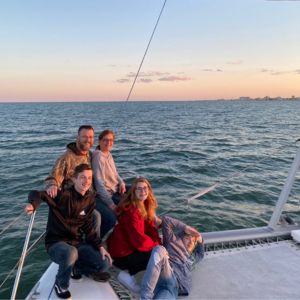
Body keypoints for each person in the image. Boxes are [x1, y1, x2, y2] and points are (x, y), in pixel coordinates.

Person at [25, 164, 112, 299]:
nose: (87, 181)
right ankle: (61, 284)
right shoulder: (62, 195)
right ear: (74, 179)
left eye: (89, 178)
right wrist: (32, 204)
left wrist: (100, 246)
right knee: (71, 253)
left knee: (104, 263)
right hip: (56, 243)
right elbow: (37, 194)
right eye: (82, 177)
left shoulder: (89, 199)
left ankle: (76, 269)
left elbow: (88, 226)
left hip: (76, 242)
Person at [107, 177, 161, 293]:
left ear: (149, 190)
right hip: (121, 254)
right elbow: (139, 241)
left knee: (158, 249)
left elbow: (150, 228)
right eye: (139, 189)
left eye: (145, 188)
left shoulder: (145, 205)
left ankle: (134, 270)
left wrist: (158, 241)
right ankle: (126, 274)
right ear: (134, 192)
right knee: (155, 255)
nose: (143, 192)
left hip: (130, 247)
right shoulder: (132, 211)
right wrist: (157, 246)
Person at [45, 125, 101, 236]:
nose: (88, 140)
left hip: (90, 197)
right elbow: (53, 176)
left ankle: (96, 244)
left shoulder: (89, 155)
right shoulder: (66, 158)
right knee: (96, 217)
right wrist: (52, 185)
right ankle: (93, 248)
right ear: (77, 138)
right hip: (75, 202)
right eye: (84, 137)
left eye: (91, 137)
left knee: (112, 214)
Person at [140, 216, 204, 300]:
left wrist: (200, 239)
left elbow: (201, 254)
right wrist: (185, 227)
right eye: (187, 238)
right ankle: (145, 297)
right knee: (159, 250)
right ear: (181, 237)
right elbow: (166, 220)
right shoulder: (172, 241)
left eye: (193, 241)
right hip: (167, 272)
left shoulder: (192, 258)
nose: (191, 242)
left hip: (173, 287)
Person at [92, 129, 127, 238]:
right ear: (99, 141)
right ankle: (97, 241)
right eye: (105, 140)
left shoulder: (108, 154)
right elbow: (99, 183)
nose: (108, 143)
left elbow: (115, 173)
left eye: (111, 140)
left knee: (139, 190)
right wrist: (110, 203)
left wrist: (121, 182)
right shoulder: (98, 156)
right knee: (124, 209)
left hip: (116, 188)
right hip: (107, 194)